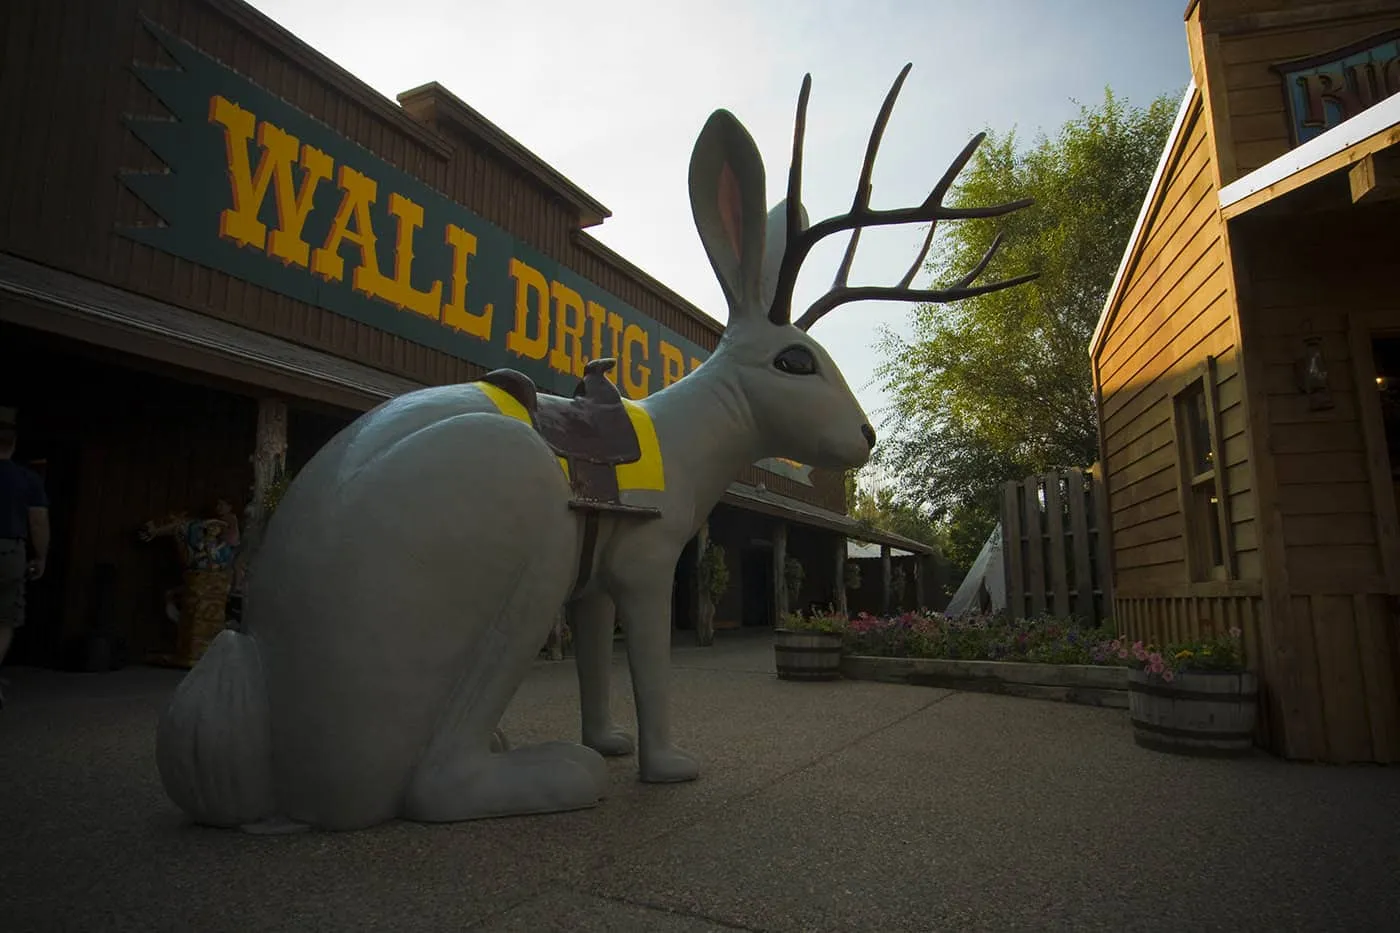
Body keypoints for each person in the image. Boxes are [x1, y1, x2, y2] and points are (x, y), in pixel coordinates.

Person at [0, 407, 50, 708]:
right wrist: (40, 556)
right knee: (3, 619)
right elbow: (39, 522)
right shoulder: (27, 480)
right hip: (8, 549)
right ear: (13, 444)